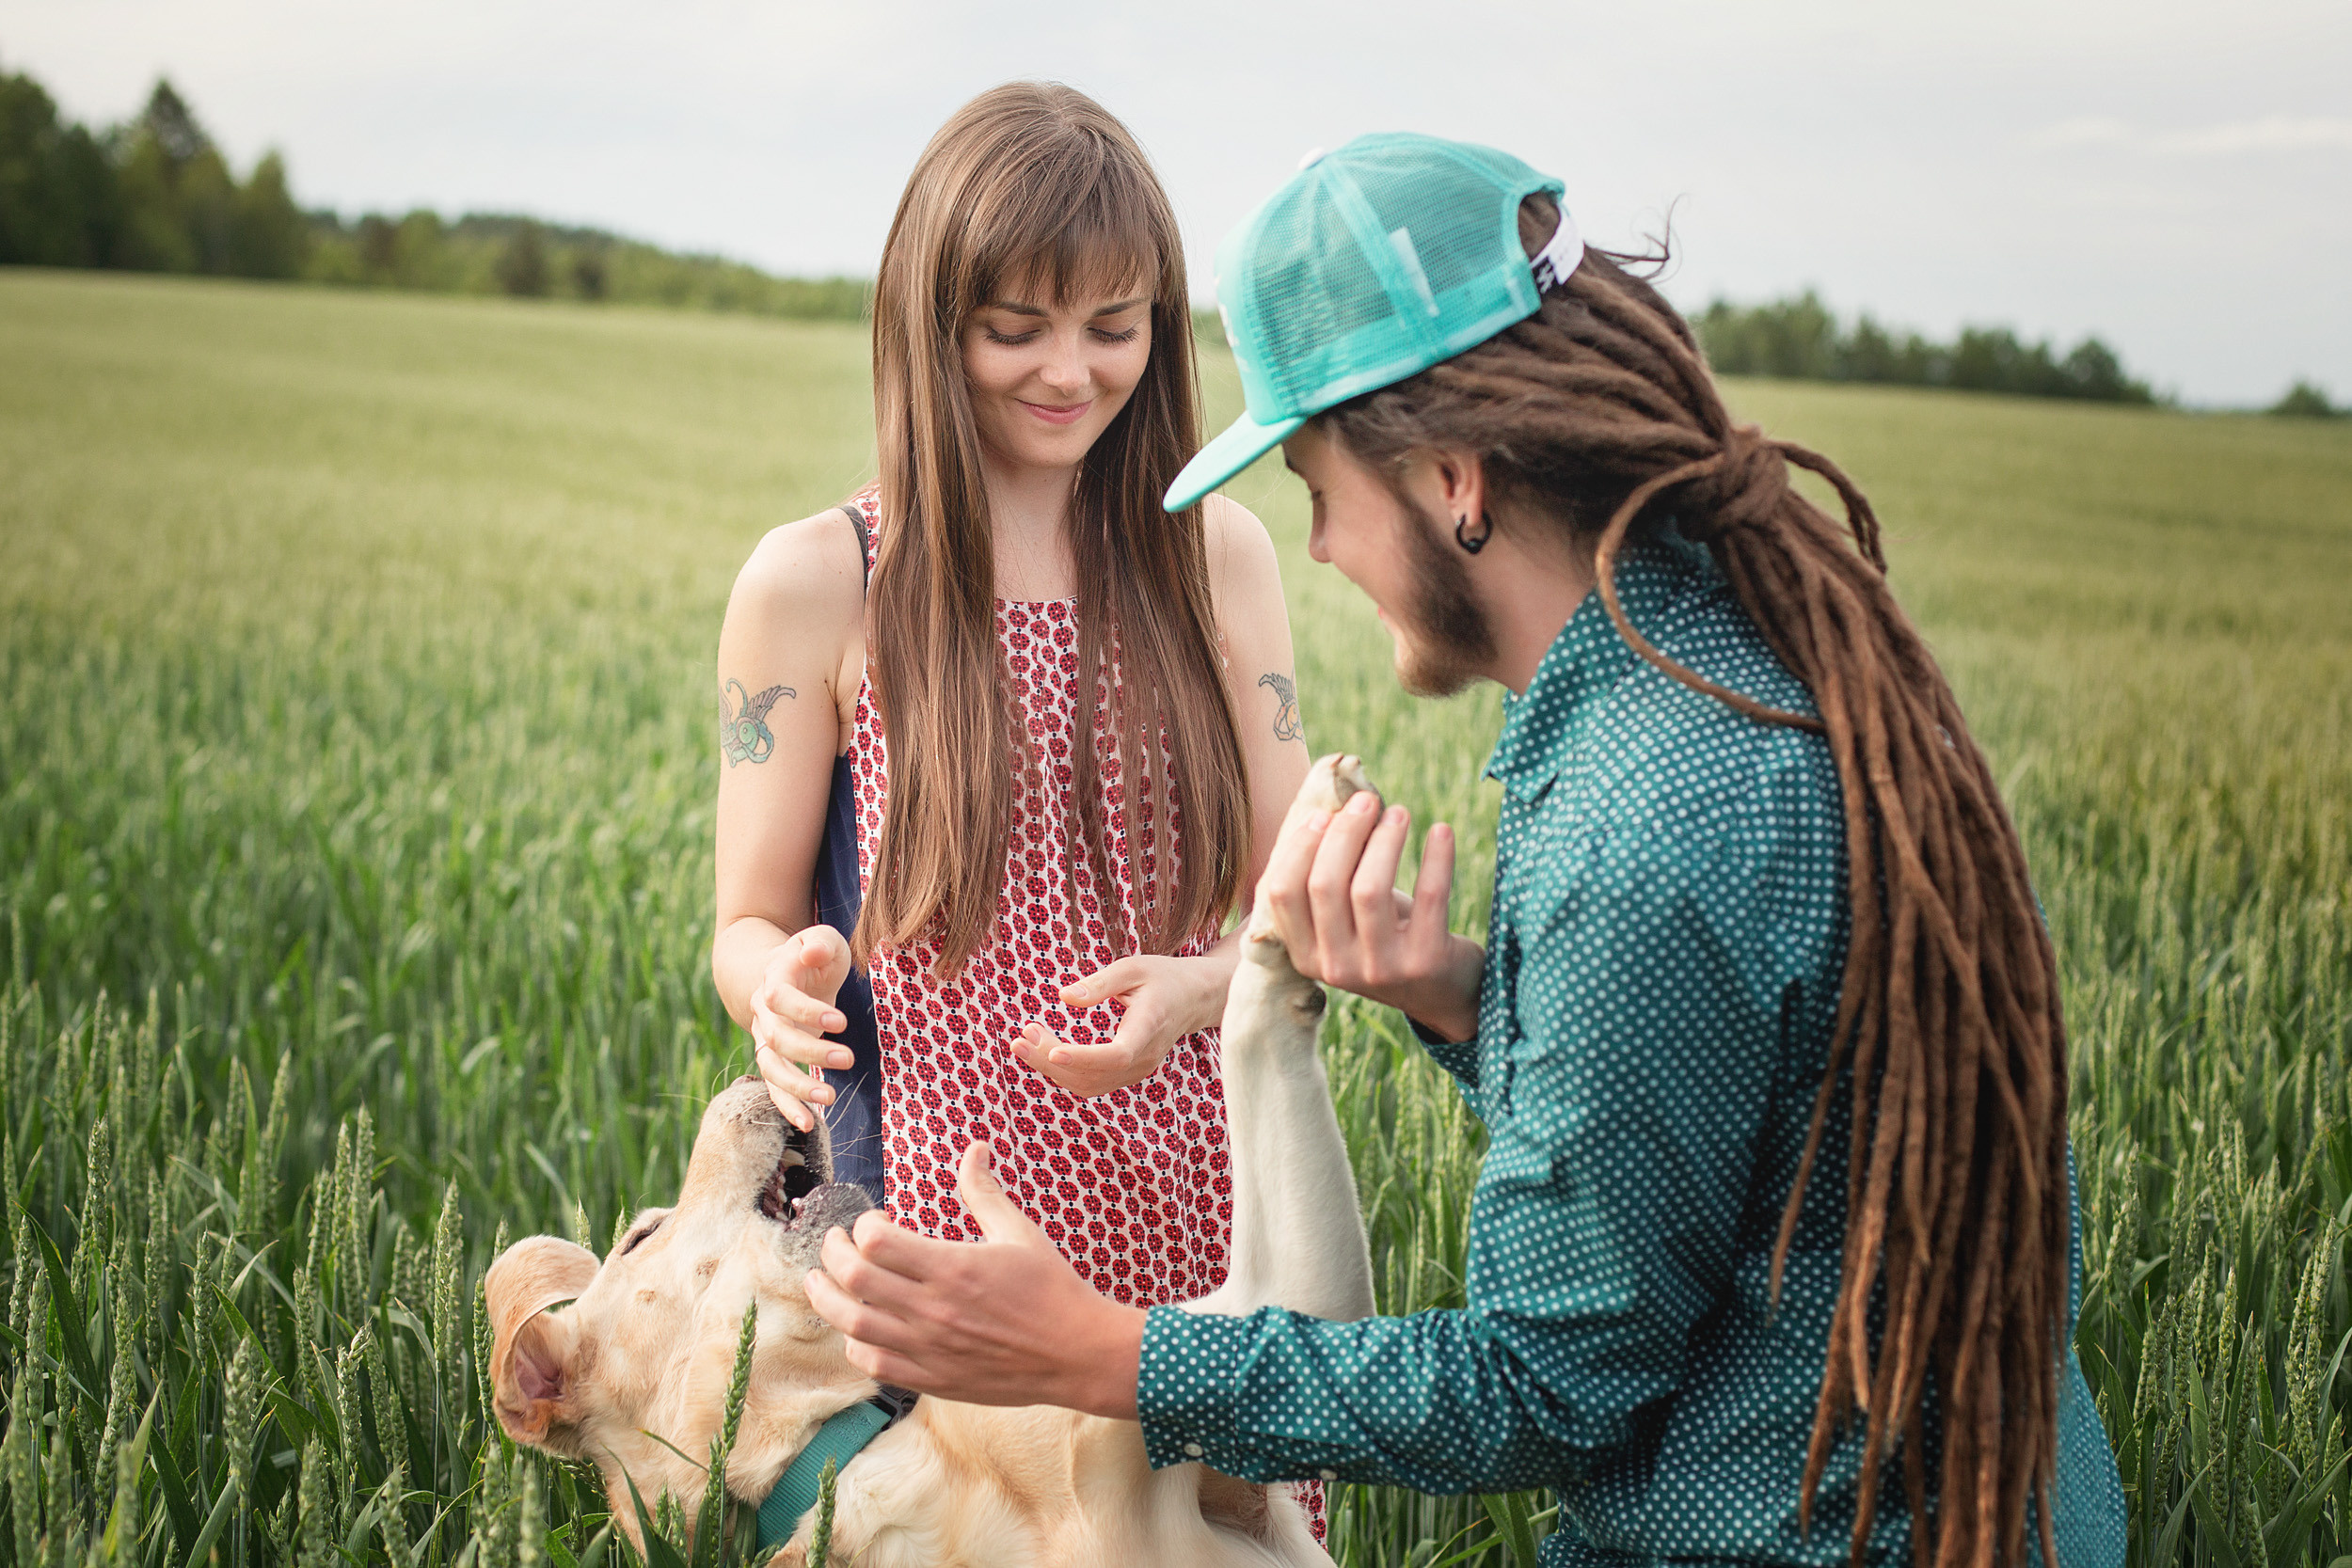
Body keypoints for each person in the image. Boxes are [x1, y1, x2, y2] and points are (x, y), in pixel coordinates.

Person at [802, 134, 2129, 1567]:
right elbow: (1727, 1133)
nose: (1315, 552)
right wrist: (1462, 997)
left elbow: (1539, 1391)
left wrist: (1105, 1355)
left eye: (1320, 492)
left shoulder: (1644, 820)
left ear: (1451, 480)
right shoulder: (1746, 671)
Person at [708, 77, 1319, 1520]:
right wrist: (775, 990)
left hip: (1197, 1200)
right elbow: (743, 915)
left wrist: (1201, 985)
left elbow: (1300, 918)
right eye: (1015, 328)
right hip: (935, 1214)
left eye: (1115, 327)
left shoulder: (1214, 557)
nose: (1070, 370)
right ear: (933, 325)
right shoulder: (819, 581)